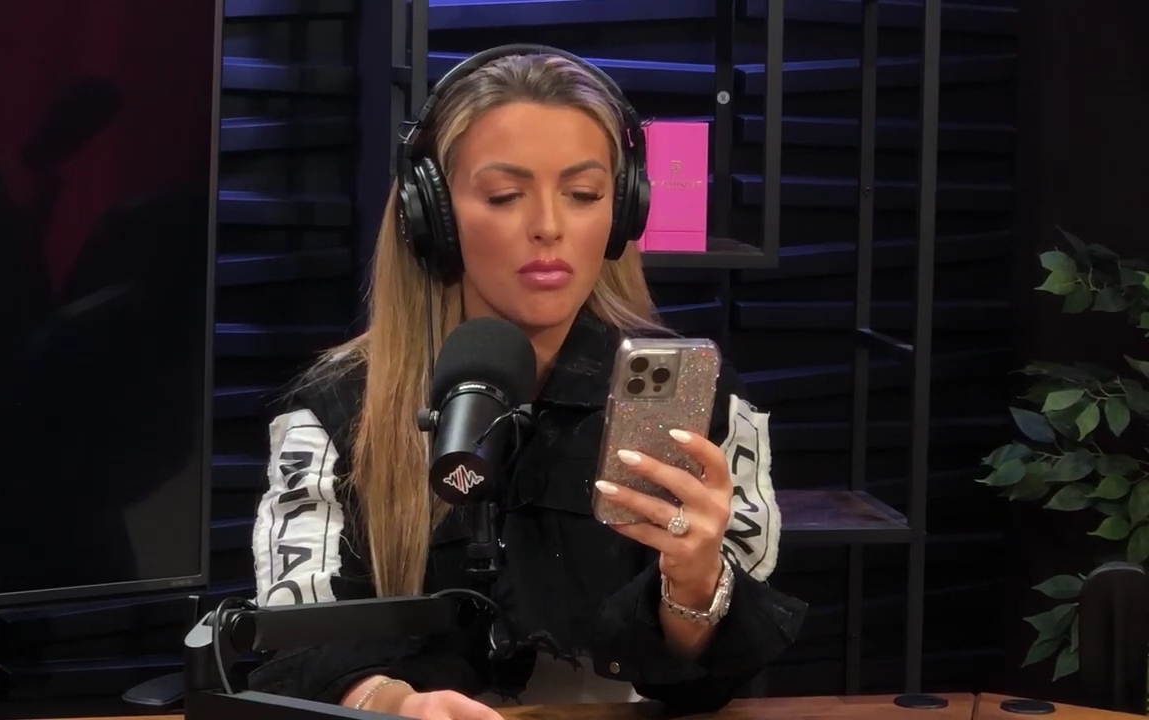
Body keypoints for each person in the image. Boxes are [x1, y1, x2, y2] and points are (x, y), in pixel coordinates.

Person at [248, 45, 806, 718]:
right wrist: (393, 703)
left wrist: (694, 584)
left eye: (584, 195)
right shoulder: (339, 407)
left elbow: (711, 682)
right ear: (433, 216)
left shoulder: (695, 399)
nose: (548, 227)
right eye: (505, 196)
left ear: (623, 210)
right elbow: (293, 645)